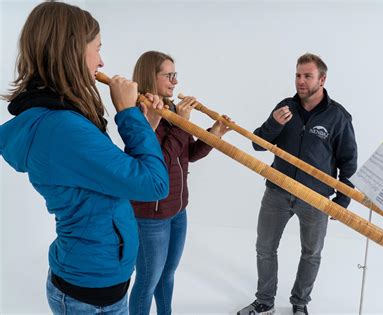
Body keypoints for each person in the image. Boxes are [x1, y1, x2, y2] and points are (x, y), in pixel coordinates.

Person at [0, 2, 169, 314]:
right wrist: (129, 115)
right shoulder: (62, 127)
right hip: (87, 298)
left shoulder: (63, 119)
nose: (102, 61)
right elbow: (155, 184)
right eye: (97, 49)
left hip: (101, 288)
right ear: (72, 51)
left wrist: (145, 127)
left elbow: (115, 176)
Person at [238, 53, 358, 315]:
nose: (300, 81)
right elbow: (258, 143)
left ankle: (300, 303)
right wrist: (273, 124)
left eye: (307, 76)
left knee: (311, 253)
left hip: (314, 198)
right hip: (277, 192)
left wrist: (343, 200)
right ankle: (265, 302)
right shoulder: (285, 107)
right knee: (265, 247)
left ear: (322, 79)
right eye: (297, 75)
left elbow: (348, 161)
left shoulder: (338, 117)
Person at [129, 51, 232, 315]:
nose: (175, 81)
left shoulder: (173, 110)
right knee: (147, 281)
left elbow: (189, 155)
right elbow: (158, 164)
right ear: (151, 76)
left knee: (167, 276)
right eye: (169, 75)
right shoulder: (139, 114)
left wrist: (215, 133)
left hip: (178, 210)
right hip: (151, 215)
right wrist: (182, 125)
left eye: (176, 75)